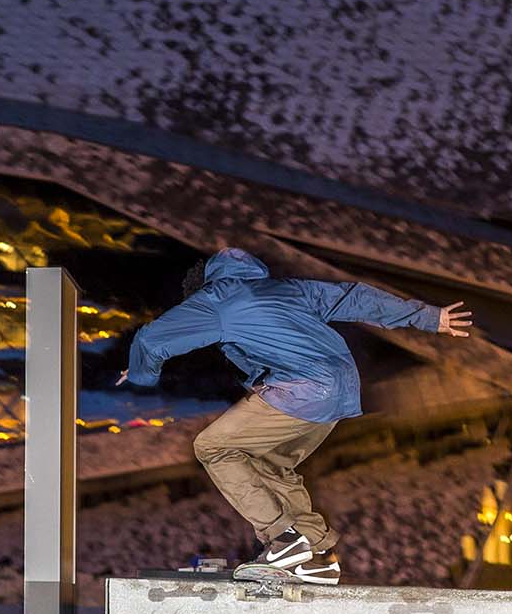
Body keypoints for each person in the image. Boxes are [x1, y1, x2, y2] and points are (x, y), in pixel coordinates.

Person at [119, 249, 471, 586]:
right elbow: (355, 297)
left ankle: (282, 540)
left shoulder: (217, 298)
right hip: (341, 389)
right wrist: (429, 317)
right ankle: (318, 555)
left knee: (213, 447)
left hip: (303, 388)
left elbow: (152, 339)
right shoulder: (288, 289)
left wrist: (139, 375)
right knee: (271, 464)